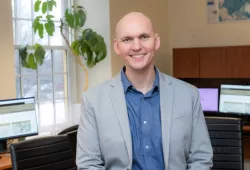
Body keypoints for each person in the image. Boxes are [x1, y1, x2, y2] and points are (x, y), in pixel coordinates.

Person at [76, 12, 213, 170]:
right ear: (117, 46)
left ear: (156, 41)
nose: (136, 46)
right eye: (127, 39)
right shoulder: (93, 100)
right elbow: (89, 165)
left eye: (144, 37)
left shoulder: (189, 94)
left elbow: (201, 158)